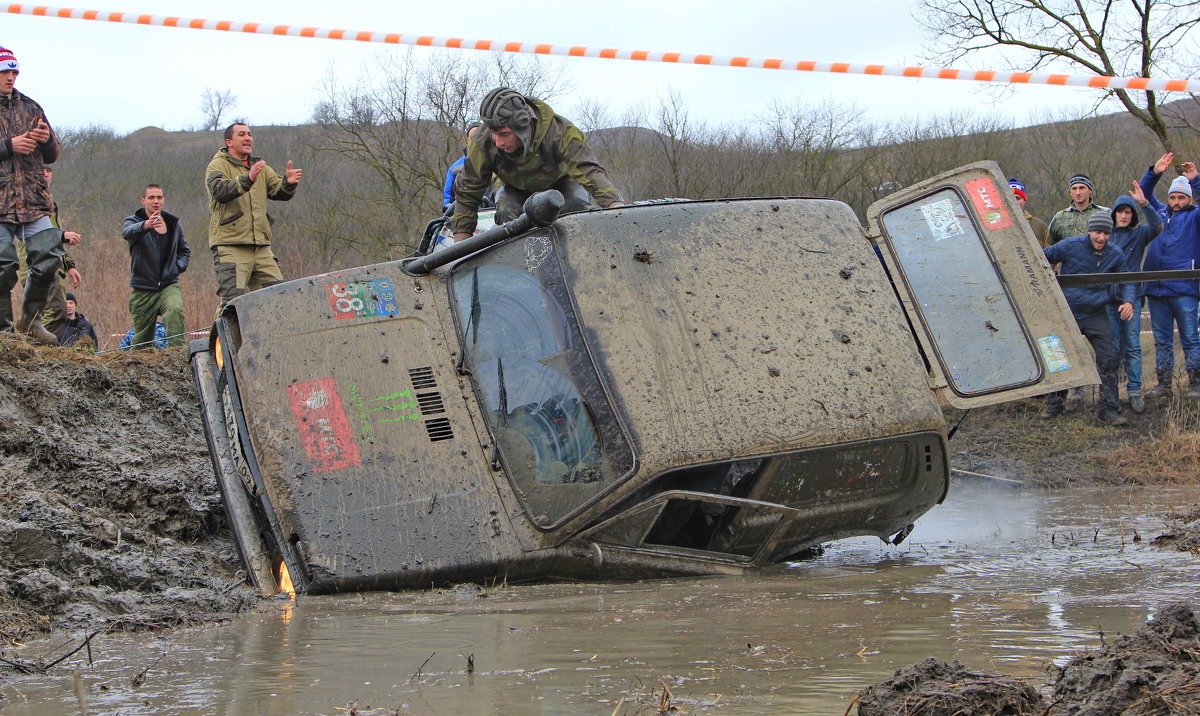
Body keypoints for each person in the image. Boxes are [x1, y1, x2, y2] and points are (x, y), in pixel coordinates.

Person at [449, 87, 625, 241]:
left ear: (522, 125)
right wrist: (460, 245)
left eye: (503, 134)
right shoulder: (482, 143)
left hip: (561, 183)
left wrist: (619, 212)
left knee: (577, 205)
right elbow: (467, 193)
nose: (498, 142)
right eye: (493, 133)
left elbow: (590, 173)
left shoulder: (561, 132)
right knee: (507, 211)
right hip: (512, 186)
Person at [1040, 213, 1135, 425]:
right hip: (1066, 311)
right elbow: (1041, 257)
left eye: (1106, 233)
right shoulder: (1069, 246)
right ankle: (1055, 403)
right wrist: (1049, 272)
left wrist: (1128, 302)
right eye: (1098, 232)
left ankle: (1108, 409)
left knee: (1109, 357)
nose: (1101, 238)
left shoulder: (1115, 254)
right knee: (1058, 356)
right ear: (1089, 231)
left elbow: (1128, 280)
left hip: (1095, 312)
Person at [0, 45, 64, 344]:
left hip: (34, 199)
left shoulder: (31, 106)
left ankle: (30, 322)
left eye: (13, 72)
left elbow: (52, 154)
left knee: (49, 258)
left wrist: (46, 138)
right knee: (5, 264)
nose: (10, 77)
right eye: (4, 72)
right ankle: (3, 331)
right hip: (0, 201)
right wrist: (8, 146)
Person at [205, 122, 301, 312]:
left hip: (261, 246)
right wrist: (247, 180)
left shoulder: (261, 168)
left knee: (278, 297)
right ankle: (220, 341)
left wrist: (288, 183)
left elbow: (278, 192)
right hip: (230, 245)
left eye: (250, 134)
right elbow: (219, 191)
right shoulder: (218, 164)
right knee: (232, 303)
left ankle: (274, 340)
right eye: (242, 134)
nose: (248, 138)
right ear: (229, 141)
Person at [1138, 152, 1200, 400]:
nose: (1176, 201)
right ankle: (1164, 385)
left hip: (1184, 288)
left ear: (1189, 198)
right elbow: (1142, 193)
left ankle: (1195, 384)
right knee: (1162, 341)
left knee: (1190, 339)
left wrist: (1195, 179)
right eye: (1173, 196)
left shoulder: (1195, 217)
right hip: (1156, 288)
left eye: (1181, 197)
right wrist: (1155, 172)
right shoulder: (1160, 214)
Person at [1106, 183, 1163, 414]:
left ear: (1132, 215)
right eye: (1120, 211)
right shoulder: (1105, 236)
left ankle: (1134, 392)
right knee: (1112, 347)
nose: (1123, 215)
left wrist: (1144, 203)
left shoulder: (1140, 234)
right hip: (1109, 298)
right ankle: (1111, 395)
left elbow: (1158, 226)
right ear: (1114, 214)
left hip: (1133, 297)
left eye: (1128, 212)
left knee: (1133, 346)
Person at [17, 164, 84, 334]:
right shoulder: (26, 199)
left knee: (48, 313)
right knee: (53, 312)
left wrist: (69, 265)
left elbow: (54, 237)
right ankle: (38, 351)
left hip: (53, 264)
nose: (46, 174)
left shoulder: (48, 201)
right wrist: (62, 235)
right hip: (37, 265)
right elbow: (42, 236)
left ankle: (36, 350)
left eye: (49, 171)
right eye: (42, 171)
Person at [122, 184, 190, 348]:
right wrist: (146, 225)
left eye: (159, 197)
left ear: (163, 200)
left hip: (169, 284)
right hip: (143, 288)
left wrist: (177, 268)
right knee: (141, 342)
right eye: (151, 197)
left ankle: (179, 356)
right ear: (143, 200)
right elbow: (126, 233)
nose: (156, 201)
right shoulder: (133, 221)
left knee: (174, 311)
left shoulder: (173, 223)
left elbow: (184, 251)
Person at [1048, 174, 1109, 245]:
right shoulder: (1060, 217)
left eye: (1082, 188)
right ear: (1070, 192)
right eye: (1074, 189)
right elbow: (1048, 243)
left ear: (1090, 190)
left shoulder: (1105, 214)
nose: (1078, 193)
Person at [444, 121, 482, 208]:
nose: (476, 141)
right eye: (472, 138)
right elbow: (448, 203)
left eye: (479, 137)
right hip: (464, 215)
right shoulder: (454, 169)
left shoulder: (499, 162)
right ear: (467, 140)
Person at [1008, 178, 1051, 248]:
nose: (1013, 202)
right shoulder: (994, 224)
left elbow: (1050, 254)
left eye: (1017, 198)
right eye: (1009, 197)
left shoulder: (1039, 226)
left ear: (1024, 200)